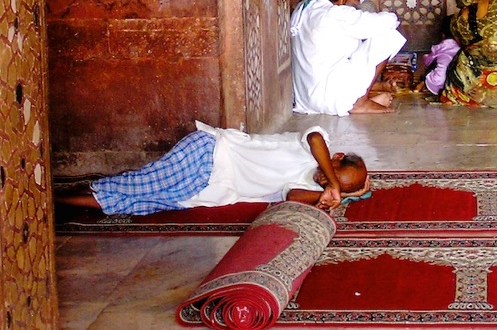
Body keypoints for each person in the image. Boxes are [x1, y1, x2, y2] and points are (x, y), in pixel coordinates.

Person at [56, 124, 370, 215]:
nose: (325, 180)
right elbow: (315, 137)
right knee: (131, 186)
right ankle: (50, 200)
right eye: (331, 174)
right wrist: (332, 183)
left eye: (335, 184)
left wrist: (324, 198)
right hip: (208, 153)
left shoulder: (312, 188)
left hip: (205, 190)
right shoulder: (315, 147)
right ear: (336, 157)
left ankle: (55, 202)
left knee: (132, 202)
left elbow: (292, 196)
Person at [290, 0, 406, 115]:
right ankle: (360, 103)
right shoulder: (335, 14)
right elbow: (386, 22)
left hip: (304, 98)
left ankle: (362, 98)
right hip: (329, 99)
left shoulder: (302, 8)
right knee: (389, 36)